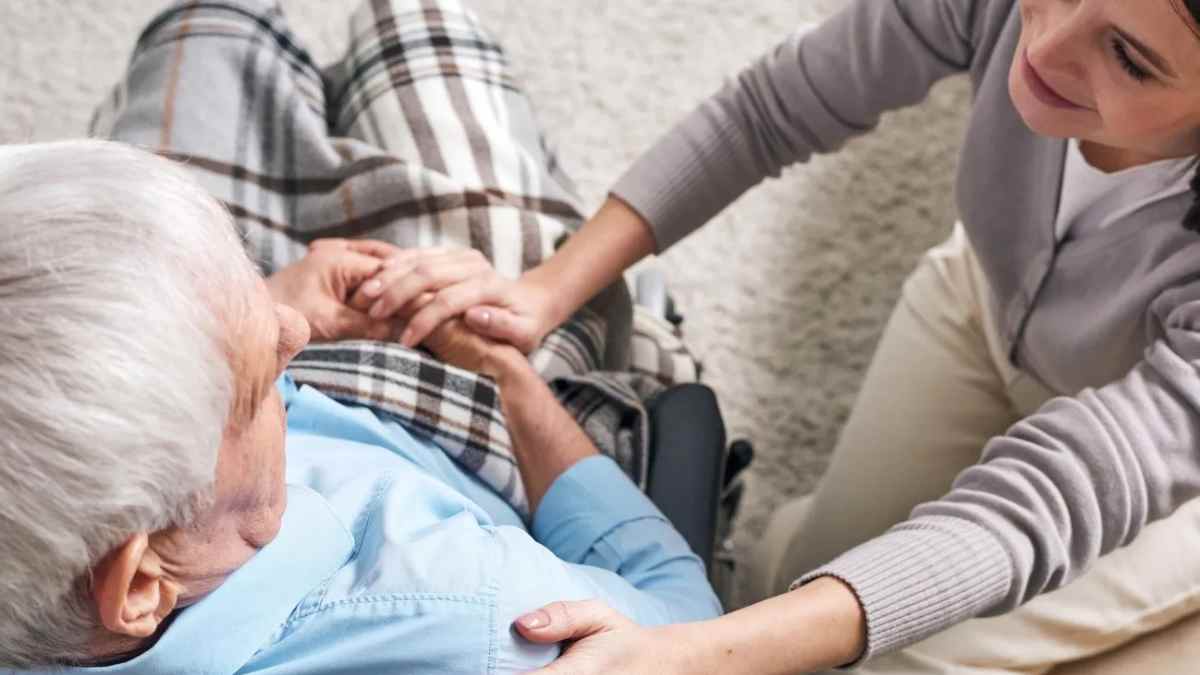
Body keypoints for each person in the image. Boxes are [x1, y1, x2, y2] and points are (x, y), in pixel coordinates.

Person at [368, 0, 1200, 672]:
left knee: (894, 657)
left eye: (1129, 58)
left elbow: (1043, 505)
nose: (1045, 44)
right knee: (791, 576)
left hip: (1170, 451)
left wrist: (696, 654)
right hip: (983, 299)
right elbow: (772, 111)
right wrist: (544, 289)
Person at [0, 140, 719, 672]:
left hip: (285, 374)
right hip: (484, 430)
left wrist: (243, 310)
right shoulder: (475, 614)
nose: (295, 331)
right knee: (424, 30)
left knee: (209, 23)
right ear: (141, 585)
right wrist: (508, 377)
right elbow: (686, 616)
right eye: (251, 394)